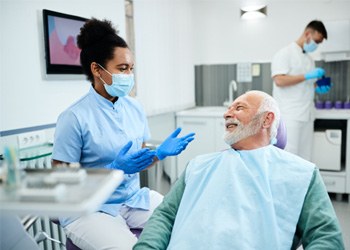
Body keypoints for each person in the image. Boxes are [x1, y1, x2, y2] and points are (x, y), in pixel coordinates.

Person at [133, 90, 344, 250]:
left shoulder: (301, 173)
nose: (227, 114)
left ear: (266, 119)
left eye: (239, 108)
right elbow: (165, 215)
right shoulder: (199, 166)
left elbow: (325, 237)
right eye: (228, 109)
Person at [51, 18, 195, 250]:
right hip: (91, 208)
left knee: (190, 219)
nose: (129, 75)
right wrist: (113, 171)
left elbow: (137, 160)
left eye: (131, 69)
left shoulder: (134, 107)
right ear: (97, 69)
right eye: (122, 68)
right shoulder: (74, 117)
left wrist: (157, 154)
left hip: (132, 200)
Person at [271, 20, 330, 161]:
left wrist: (318, 86)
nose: (317, 45)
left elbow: (305, 84)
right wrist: (306, 76)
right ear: (307, 34)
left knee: (305, 158)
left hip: (307, 114)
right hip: (290, 115)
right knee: (289, 157)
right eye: (317, 41)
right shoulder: (284, 53)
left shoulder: (310, 60)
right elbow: (279, 80)